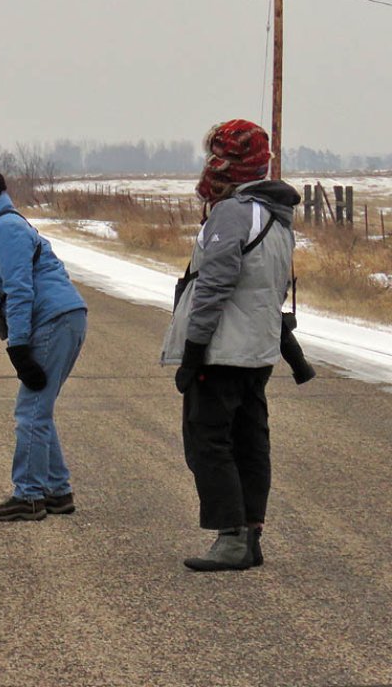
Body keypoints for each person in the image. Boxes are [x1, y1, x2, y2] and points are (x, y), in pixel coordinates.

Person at [162, 119, 299, 572]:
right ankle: (250, 534)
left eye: (218, 156)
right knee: (249, 440)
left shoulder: (233, 213)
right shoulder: (276, 215)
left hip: (223, 350)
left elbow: (214, 286)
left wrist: (195, 350)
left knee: (209, 442)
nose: (211, 166)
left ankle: (231, 538)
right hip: (256, 351)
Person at [0, 163, 88, 522]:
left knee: (30, 411)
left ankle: (28, 496)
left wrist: (19, 347)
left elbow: (20, 289)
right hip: (65, 317)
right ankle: (57, 492)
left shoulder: (6, 229)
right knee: (38, 408)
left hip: (53, 321)